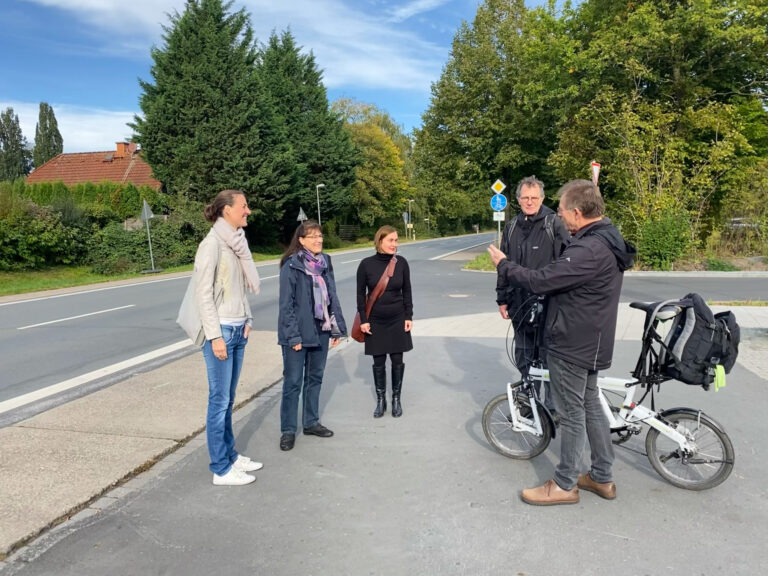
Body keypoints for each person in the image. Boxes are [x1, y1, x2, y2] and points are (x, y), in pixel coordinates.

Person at [488, 179, 636, 505]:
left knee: (571, 414)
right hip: (592, 338)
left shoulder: (588, 249)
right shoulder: (606, 238)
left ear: (578, 212)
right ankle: (602, 477)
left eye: (563, 210)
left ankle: (565, 483)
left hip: (572, 341)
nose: (560, 215)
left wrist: (504, 265)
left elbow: (542, 280)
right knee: (590, 405)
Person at [195, 189, 263, 486]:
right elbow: (203, 295)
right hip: (221, 331)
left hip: (237, 329)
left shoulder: (236, 243)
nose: (248, 211)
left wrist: (248, 318)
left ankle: (231, 456)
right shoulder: (211, 245)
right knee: (219, 400)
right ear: (227, 210)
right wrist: (215, 337)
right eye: (244, 206)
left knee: (228, 399)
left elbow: (238, 287)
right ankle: (220, 468)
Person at [495, 176, 569, 412]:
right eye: (525, 198)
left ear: (542, 198)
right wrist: (502, 298)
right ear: (518, 200)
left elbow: (565, 264)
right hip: (519, 304)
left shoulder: (554, 224)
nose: (529, 202)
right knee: (525, 357)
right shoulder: (511, 227)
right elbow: (503, 266)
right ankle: (530, 406)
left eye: (534, 198)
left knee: (547, 358)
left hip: (548, 305)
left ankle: (551, 410)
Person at [278, 220, 346, 451]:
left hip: (321, 330)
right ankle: (288, 430)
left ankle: (310, 422)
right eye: (313, 236)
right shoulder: (292, 265)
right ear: (301, 240)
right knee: (293, 382)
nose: (318, 240)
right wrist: (293, 337)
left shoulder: (325, 262)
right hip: (297, 332)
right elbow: (286, 305)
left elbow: (331, 296)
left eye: (320, 235)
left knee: (315, 378)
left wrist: (335, 327)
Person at [356, 225, 413, 418]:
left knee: (397, 359)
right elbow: (360, 295)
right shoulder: (366, 264)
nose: (394, 244)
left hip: (397, 318)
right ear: (380, 241)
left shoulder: (401, 263)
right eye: (390, 240)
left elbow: (407, 291)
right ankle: (381, 400)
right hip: (375, 320)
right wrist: (363, 320)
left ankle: (396, 399)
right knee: (378, 361)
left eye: (396, 240)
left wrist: (408, 316)